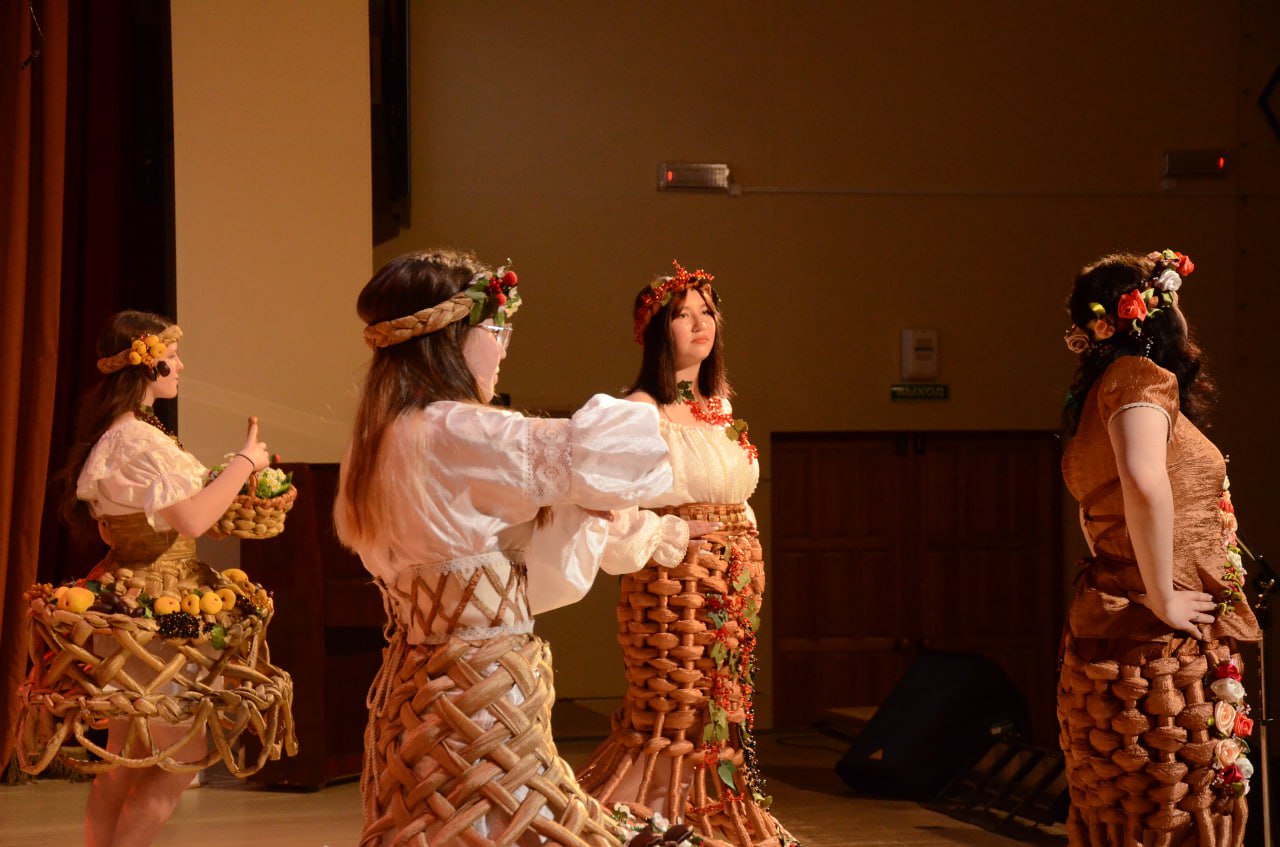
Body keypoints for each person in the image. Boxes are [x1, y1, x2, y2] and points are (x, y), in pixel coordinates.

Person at [334, 250, 700, 847]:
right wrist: (655, 406)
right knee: (499, 823)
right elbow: (600, 454)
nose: (503, 349)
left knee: (441, 820)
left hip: (419, 680)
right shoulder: (458, 428)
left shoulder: (375, 437)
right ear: (451, 336)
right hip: (480, 685)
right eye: (496, 330)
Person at [15, 310, 296, 847]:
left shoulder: (127, 434)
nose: (180, 364)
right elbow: (192, 520)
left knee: (127, 757)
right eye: (172, 354)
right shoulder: (138, 443)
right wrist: (244, 462)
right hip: (158, 610)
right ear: (147, 363)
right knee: (178, 754)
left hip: (132, 601)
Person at [578, 262, 799, 847]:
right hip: (674, 587)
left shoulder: (721, 410)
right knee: (673, 707)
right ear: (657, 330)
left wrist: (740, 545)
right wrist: (670, 535)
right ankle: (654, 815)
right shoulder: (637, 412)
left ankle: (716, 813)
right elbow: (607, 513)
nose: (700, 324)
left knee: (722, 710)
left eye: (708, 311)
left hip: (733, 583)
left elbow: (738, 494)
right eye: (683, 314)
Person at [1058, 251, 1261, 847]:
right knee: (1171, 807)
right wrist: (1164, 595)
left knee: (1136, 810)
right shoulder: (1137, 378)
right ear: (1155, 313)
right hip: (1152, 639)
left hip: (1128, 627)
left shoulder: (1104, 388)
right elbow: (1144, 482)